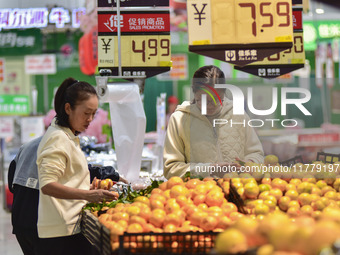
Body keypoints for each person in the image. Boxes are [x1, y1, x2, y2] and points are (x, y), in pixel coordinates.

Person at [35, 78, 117, 255]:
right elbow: (47, 184)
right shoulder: (58, 137)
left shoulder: (67, 135)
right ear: (67, 108)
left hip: (68, 227)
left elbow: (65, 180)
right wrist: (88, 194)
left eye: (94, 114)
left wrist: (87, 188)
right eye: (86, 113)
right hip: (61, 232)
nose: (90, 119)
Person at [8, 136, 127, 255]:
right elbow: (82, 171)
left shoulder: (26, 147)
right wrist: (113, 175)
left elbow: (11, 183)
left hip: (20, 221)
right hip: (42, 221)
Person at [163, 65, 264, 179]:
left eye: (215, 100)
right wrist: (209, 170)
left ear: (224, 93)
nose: (209, 106)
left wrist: (250, 163)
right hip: (198, 194)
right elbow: (171, 168)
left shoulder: (239, 114)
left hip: (238, 191)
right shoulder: (179, 120)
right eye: (202, 100)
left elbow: (257, 154)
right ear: (194, 94)